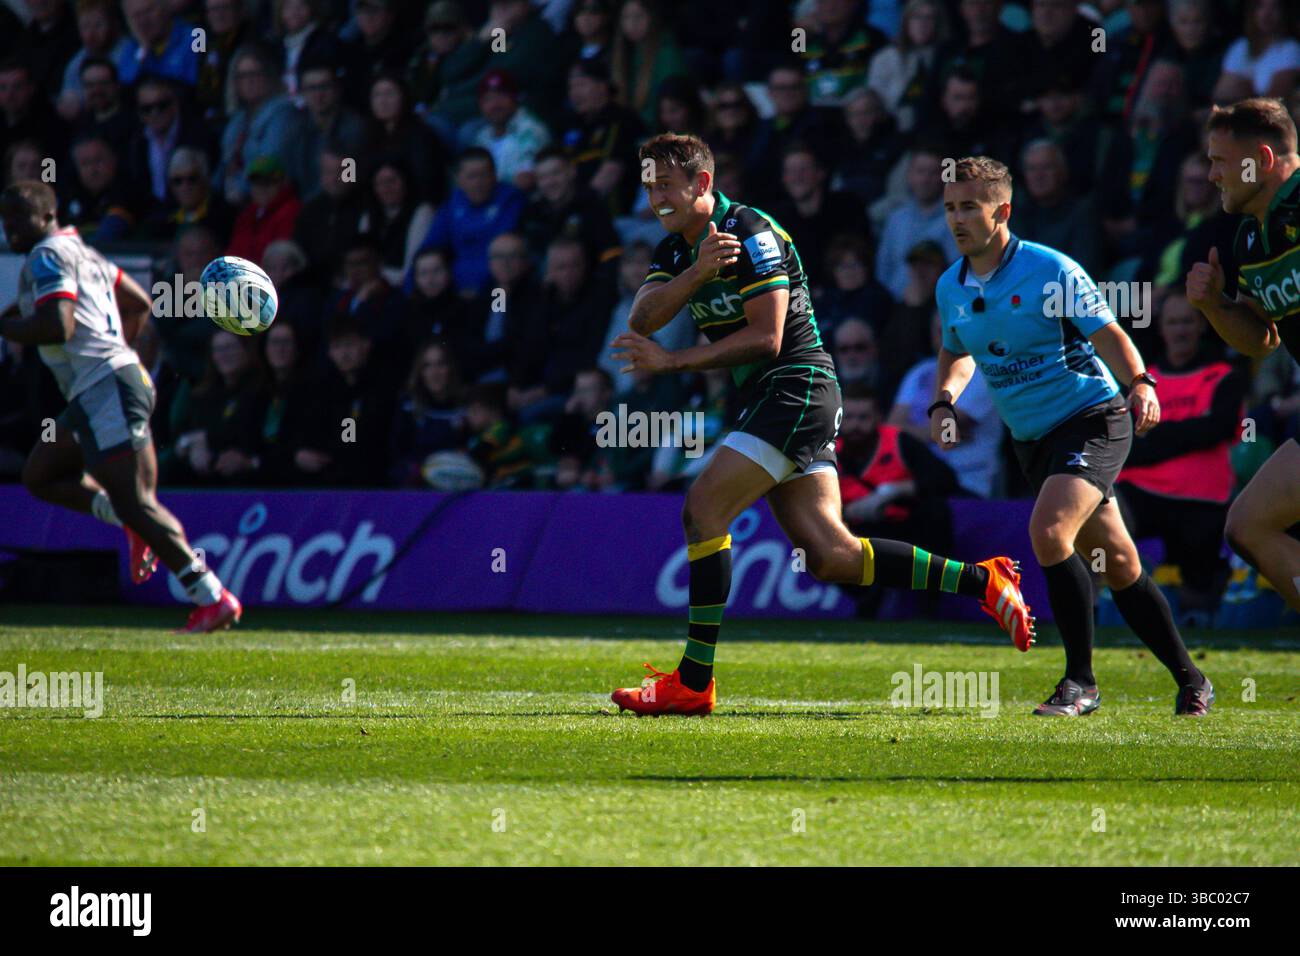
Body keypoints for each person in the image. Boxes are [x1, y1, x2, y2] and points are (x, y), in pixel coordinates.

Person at [606, 134, 1034, 717]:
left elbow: (767, 338)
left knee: (702, 509)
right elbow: (644, 316)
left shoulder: (752, 234)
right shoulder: (679, 250)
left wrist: (677, 361)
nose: (656, 196)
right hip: (770, 398)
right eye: (649, 184)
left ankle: (694, 680)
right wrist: (696, 274)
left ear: (702, 184)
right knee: (833, 553)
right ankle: (983, 581)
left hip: (796, 388)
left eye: (666, 185)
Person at [933, 156, 1212, 716]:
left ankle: (1080, 683)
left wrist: (1140, 382)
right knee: (1118, 563)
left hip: (1092, 418)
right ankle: (1193, 679)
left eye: (969, 206)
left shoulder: (1050, 269)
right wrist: (945, 398)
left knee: (1049, 530)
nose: (957, 219)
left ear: (1002, 212)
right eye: (949, 208)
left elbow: (1108, 332)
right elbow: (957, 349)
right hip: (1031, 440)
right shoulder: (951, 285)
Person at [0, 180, 241, 633]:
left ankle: (212, 595)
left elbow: (58, 325)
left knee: (139, 502)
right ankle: (127, 523)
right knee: (42, 475)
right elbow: (139, 301)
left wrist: (6, 327)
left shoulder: (47, 254)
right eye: (5, 219)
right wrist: (120, 351)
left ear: (47, 217)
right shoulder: (85, 254)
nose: (9, 227)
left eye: (18, 217)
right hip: (103, 386)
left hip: (106, 386)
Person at [1187, 97, 1300, 613]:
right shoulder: (1249, 238)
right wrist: (1214, 305)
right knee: (1249, 525)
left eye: (1220, 161)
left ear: (1263, 159)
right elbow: (1263, 339)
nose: (1212, 175)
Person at [1115, 290, 1247, 624]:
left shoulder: (1223, 376)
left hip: (1201, 500)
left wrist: (1154, 437)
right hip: (1141, 495)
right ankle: (1101, 604)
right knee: (1099, 508)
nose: (1181, 330)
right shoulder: (1143, 381)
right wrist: (1186, 433)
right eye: (1173, 322)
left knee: (1197, 600)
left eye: (1187, 321)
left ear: (1201, 325)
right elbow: (1126, 442)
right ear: (1162, 328)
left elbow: (1217, 428)